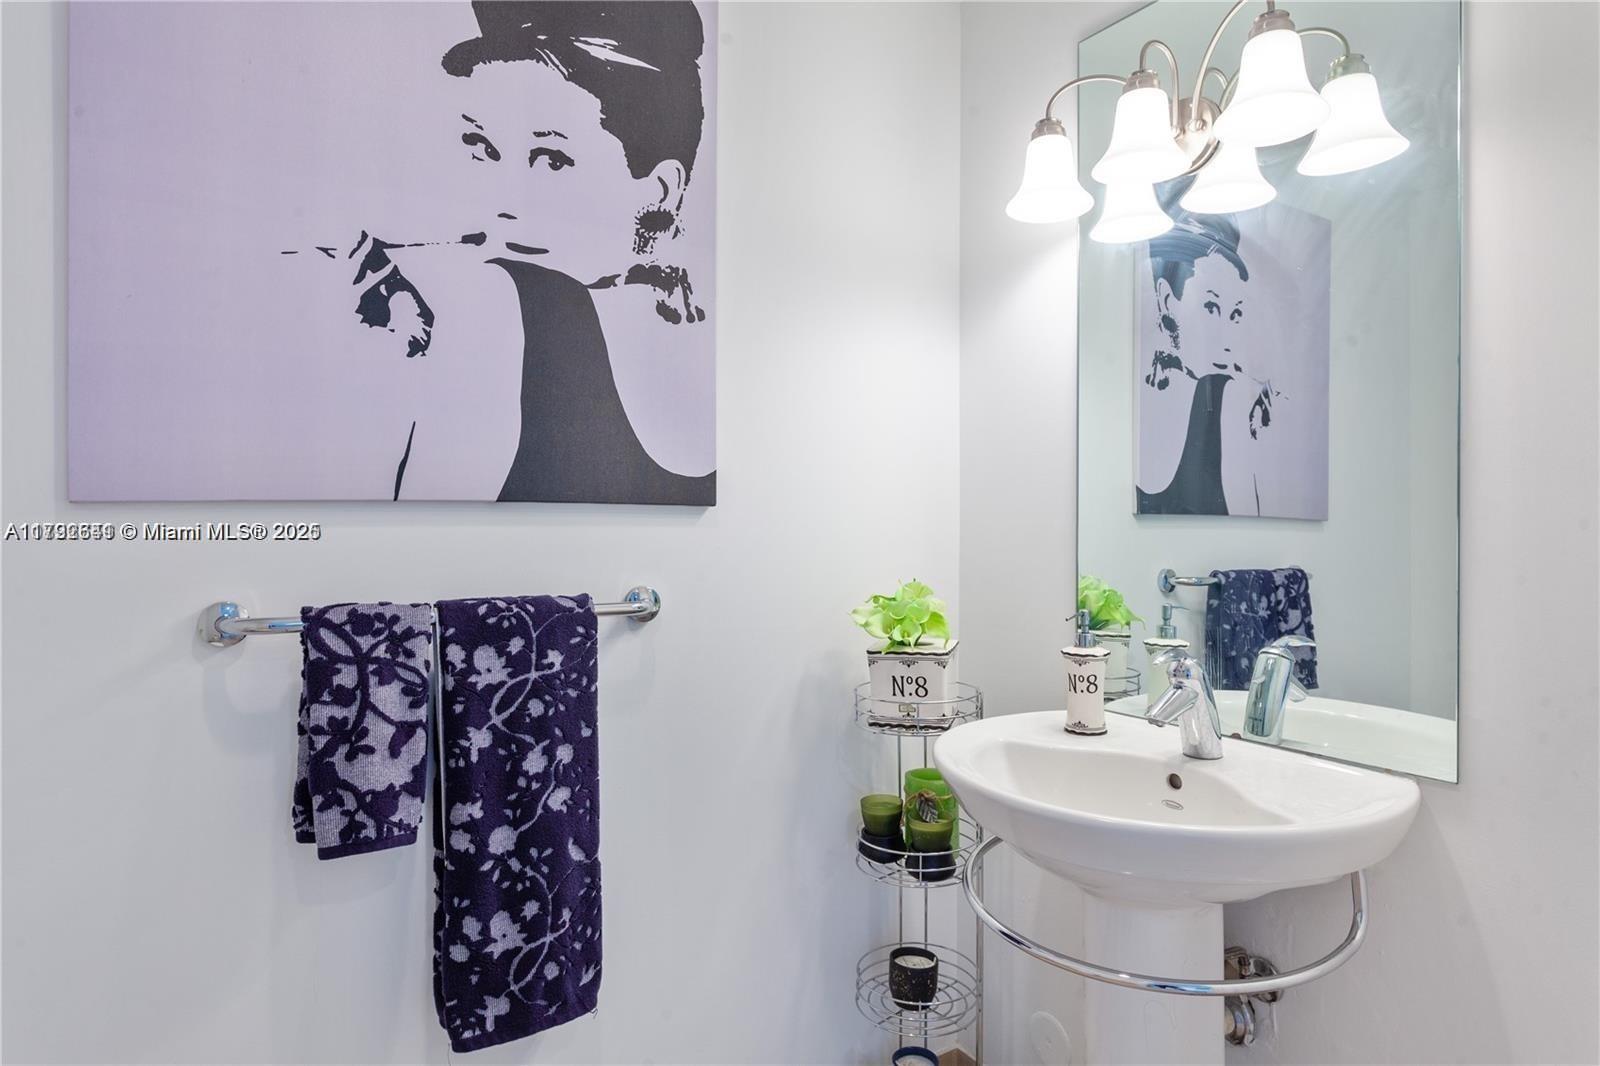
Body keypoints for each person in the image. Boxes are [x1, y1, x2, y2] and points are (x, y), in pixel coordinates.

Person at [337, 1, 715, 503]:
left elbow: (417, 532)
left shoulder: (493, 300)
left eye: (552, 159)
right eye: (481, 147)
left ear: (660, 191)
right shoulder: (703, 340)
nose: (501, 202)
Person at [1136, 201, 1279, 516]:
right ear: (1167, 300)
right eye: (1211, 308)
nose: (1227, 338)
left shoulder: (1234, 398)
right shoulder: (1130, 408)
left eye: (1235, 314)